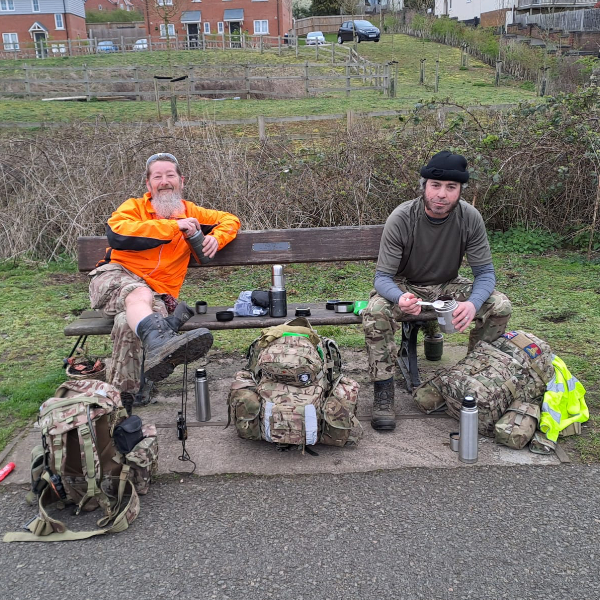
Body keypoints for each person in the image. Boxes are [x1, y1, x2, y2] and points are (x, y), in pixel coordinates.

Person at [362, 151, 512, 431]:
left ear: (460, 190)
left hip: (447, 286)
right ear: (424, 186)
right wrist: (400, 297)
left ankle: (473, 379)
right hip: (406, 285)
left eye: (451, 187)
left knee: (499, 305)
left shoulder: (470, 217)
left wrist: (473, 303)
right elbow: (382, 278)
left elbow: (485, 273)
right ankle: (383, 392)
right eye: (435, 185)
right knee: (375, 311)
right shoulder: (402, 217)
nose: (442, 194)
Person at [88, 152, 241, 415]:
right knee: (138, 292)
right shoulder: (134, 208)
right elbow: (117, 233)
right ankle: (159, 347)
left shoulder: (192, 212)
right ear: (148, 184)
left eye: (170, 175)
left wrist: (217, 237)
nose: (164, 181)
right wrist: (172, 227)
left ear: (181, 180)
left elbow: (230, 220)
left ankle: (124, 400)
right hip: (115, 278)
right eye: (157, 176)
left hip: (158, 294)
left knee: (128, 321)